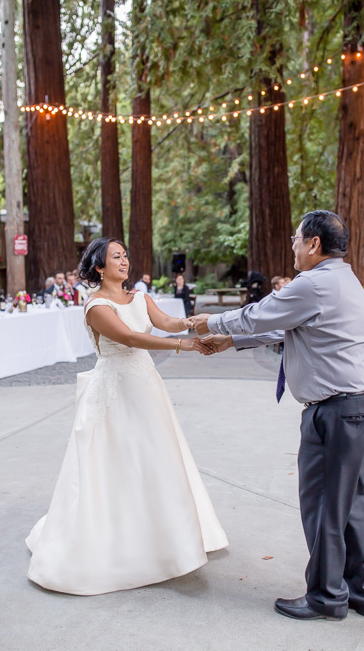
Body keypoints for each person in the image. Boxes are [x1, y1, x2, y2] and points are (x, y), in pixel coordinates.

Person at [193, 210, 364, 622]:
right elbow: (287, 328)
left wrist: (208, 321)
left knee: (323, 507)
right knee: (352, 504)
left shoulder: (313, 283)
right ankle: (363, 592)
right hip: (362, 405)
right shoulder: (344, 279)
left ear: (313, 244)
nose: (292, 245)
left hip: (336, 412)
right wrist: (230, 342)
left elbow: (259, 314)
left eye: (295, 238)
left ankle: (327, 597)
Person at [26, 237, 227, 595]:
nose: (123, 261)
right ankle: (123, 545)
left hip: (147, 385)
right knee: (119, 460)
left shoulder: (139, 297)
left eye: (125, 255)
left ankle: (171, 538)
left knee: (158, 455)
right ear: (99, 267)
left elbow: (164, 321)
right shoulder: (95, 306)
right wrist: (187, 345)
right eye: (115, 257)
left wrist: (194, 323)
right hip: (116, 387)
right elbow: (130, 338)